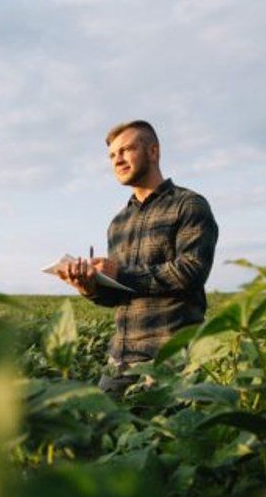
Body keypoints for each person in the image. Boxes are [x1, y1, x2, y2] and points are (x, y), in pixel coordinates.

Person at [56, 120, 219, 393]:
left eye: (126, 150)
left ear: (153, 152)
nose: (117, 160)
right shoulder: (118, 223)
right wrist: (91, 287)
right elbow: (120, 295)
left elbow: (192, 270)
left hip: (170, 359)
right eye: (112, 155)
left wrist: (120, 272)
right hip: (119, 360)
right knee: (100, 429)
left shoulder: (188, 205)